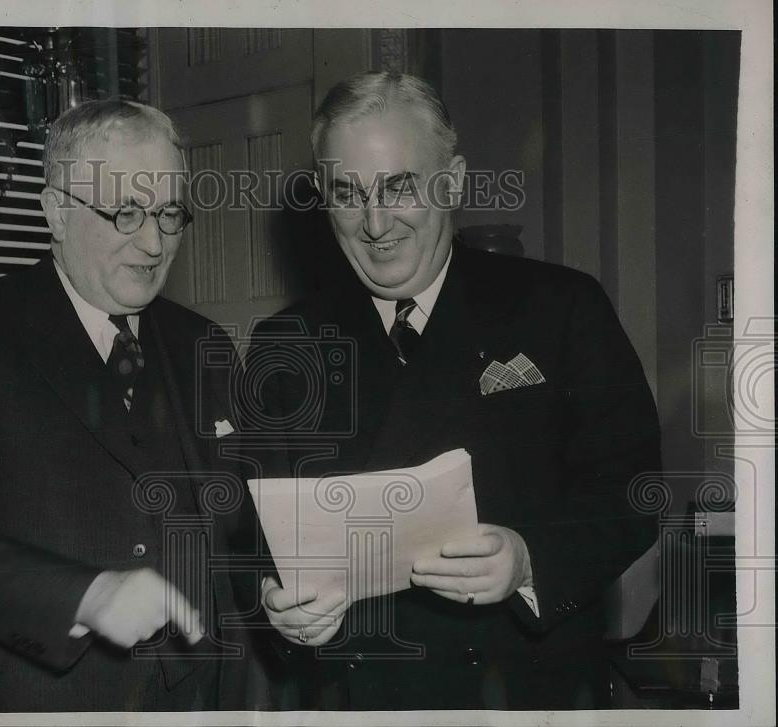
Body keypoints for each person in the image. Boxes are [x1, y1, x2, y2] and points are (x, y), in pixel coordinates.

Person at [248, 71, 662, 710]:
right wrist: (284, 611)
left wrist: (529, 559)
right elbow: (261, 539)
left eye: (399, 186)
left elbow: (634, 492)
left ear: (454, 181)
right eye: (348, 193)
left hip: (528, 691)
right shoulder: (287, 342)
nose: (375, 222)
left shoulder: (560, 307)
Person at [0, 99, 247, 712]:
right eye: (125, 212)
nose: (154, 243)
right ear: (55, 210)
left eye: (169, 213)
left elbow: (241, 524)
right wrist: (86, 596)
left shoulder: (201, 344)